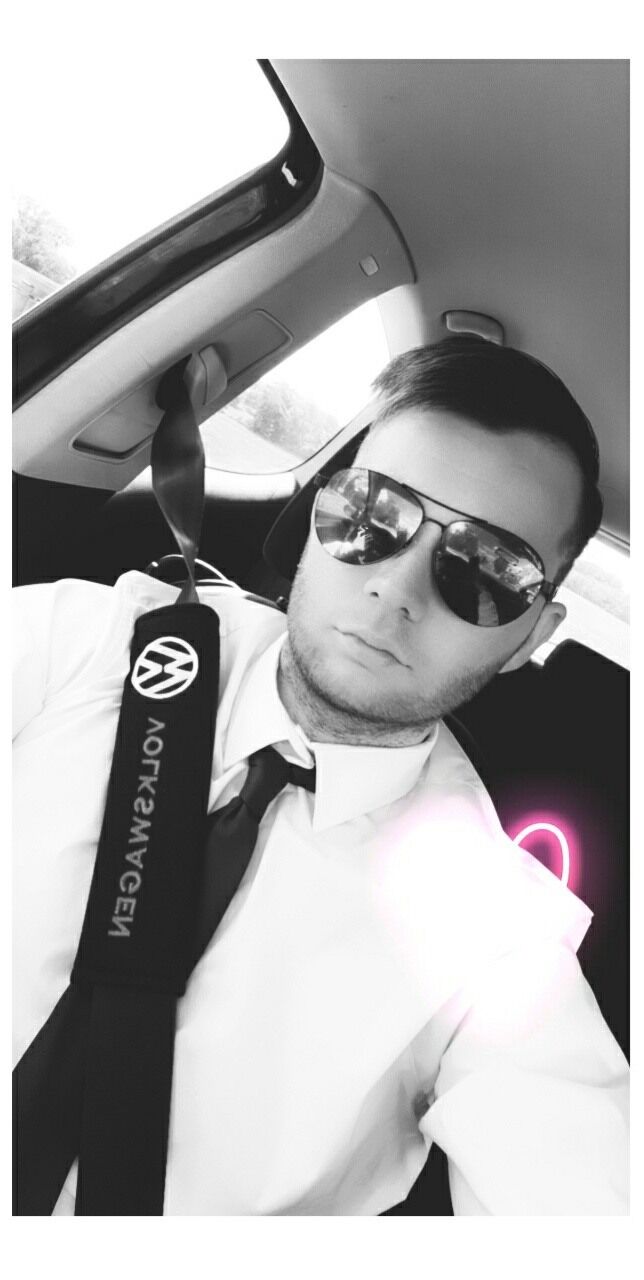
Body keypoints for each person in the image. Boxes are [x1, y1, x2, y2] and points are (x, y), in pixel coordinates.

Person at [12, 336, 628, 1215]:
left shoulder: (493, 935)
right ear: (317, 512)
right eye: (373, 514)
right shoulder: (90, 645)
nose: (396, 591)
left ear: (534, 633)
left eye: (487, 571)